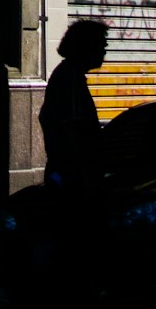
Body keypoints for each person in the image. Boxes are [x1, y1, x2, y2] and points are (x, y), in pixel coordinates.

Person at [39, 19, 109, 198]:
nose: (104, 51)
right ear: (87, 47)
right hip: (71, 179)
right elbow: (73, 133)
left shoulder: (69, 75)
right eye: (101, 45)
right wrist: (88, 182)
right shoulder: (70, 79)